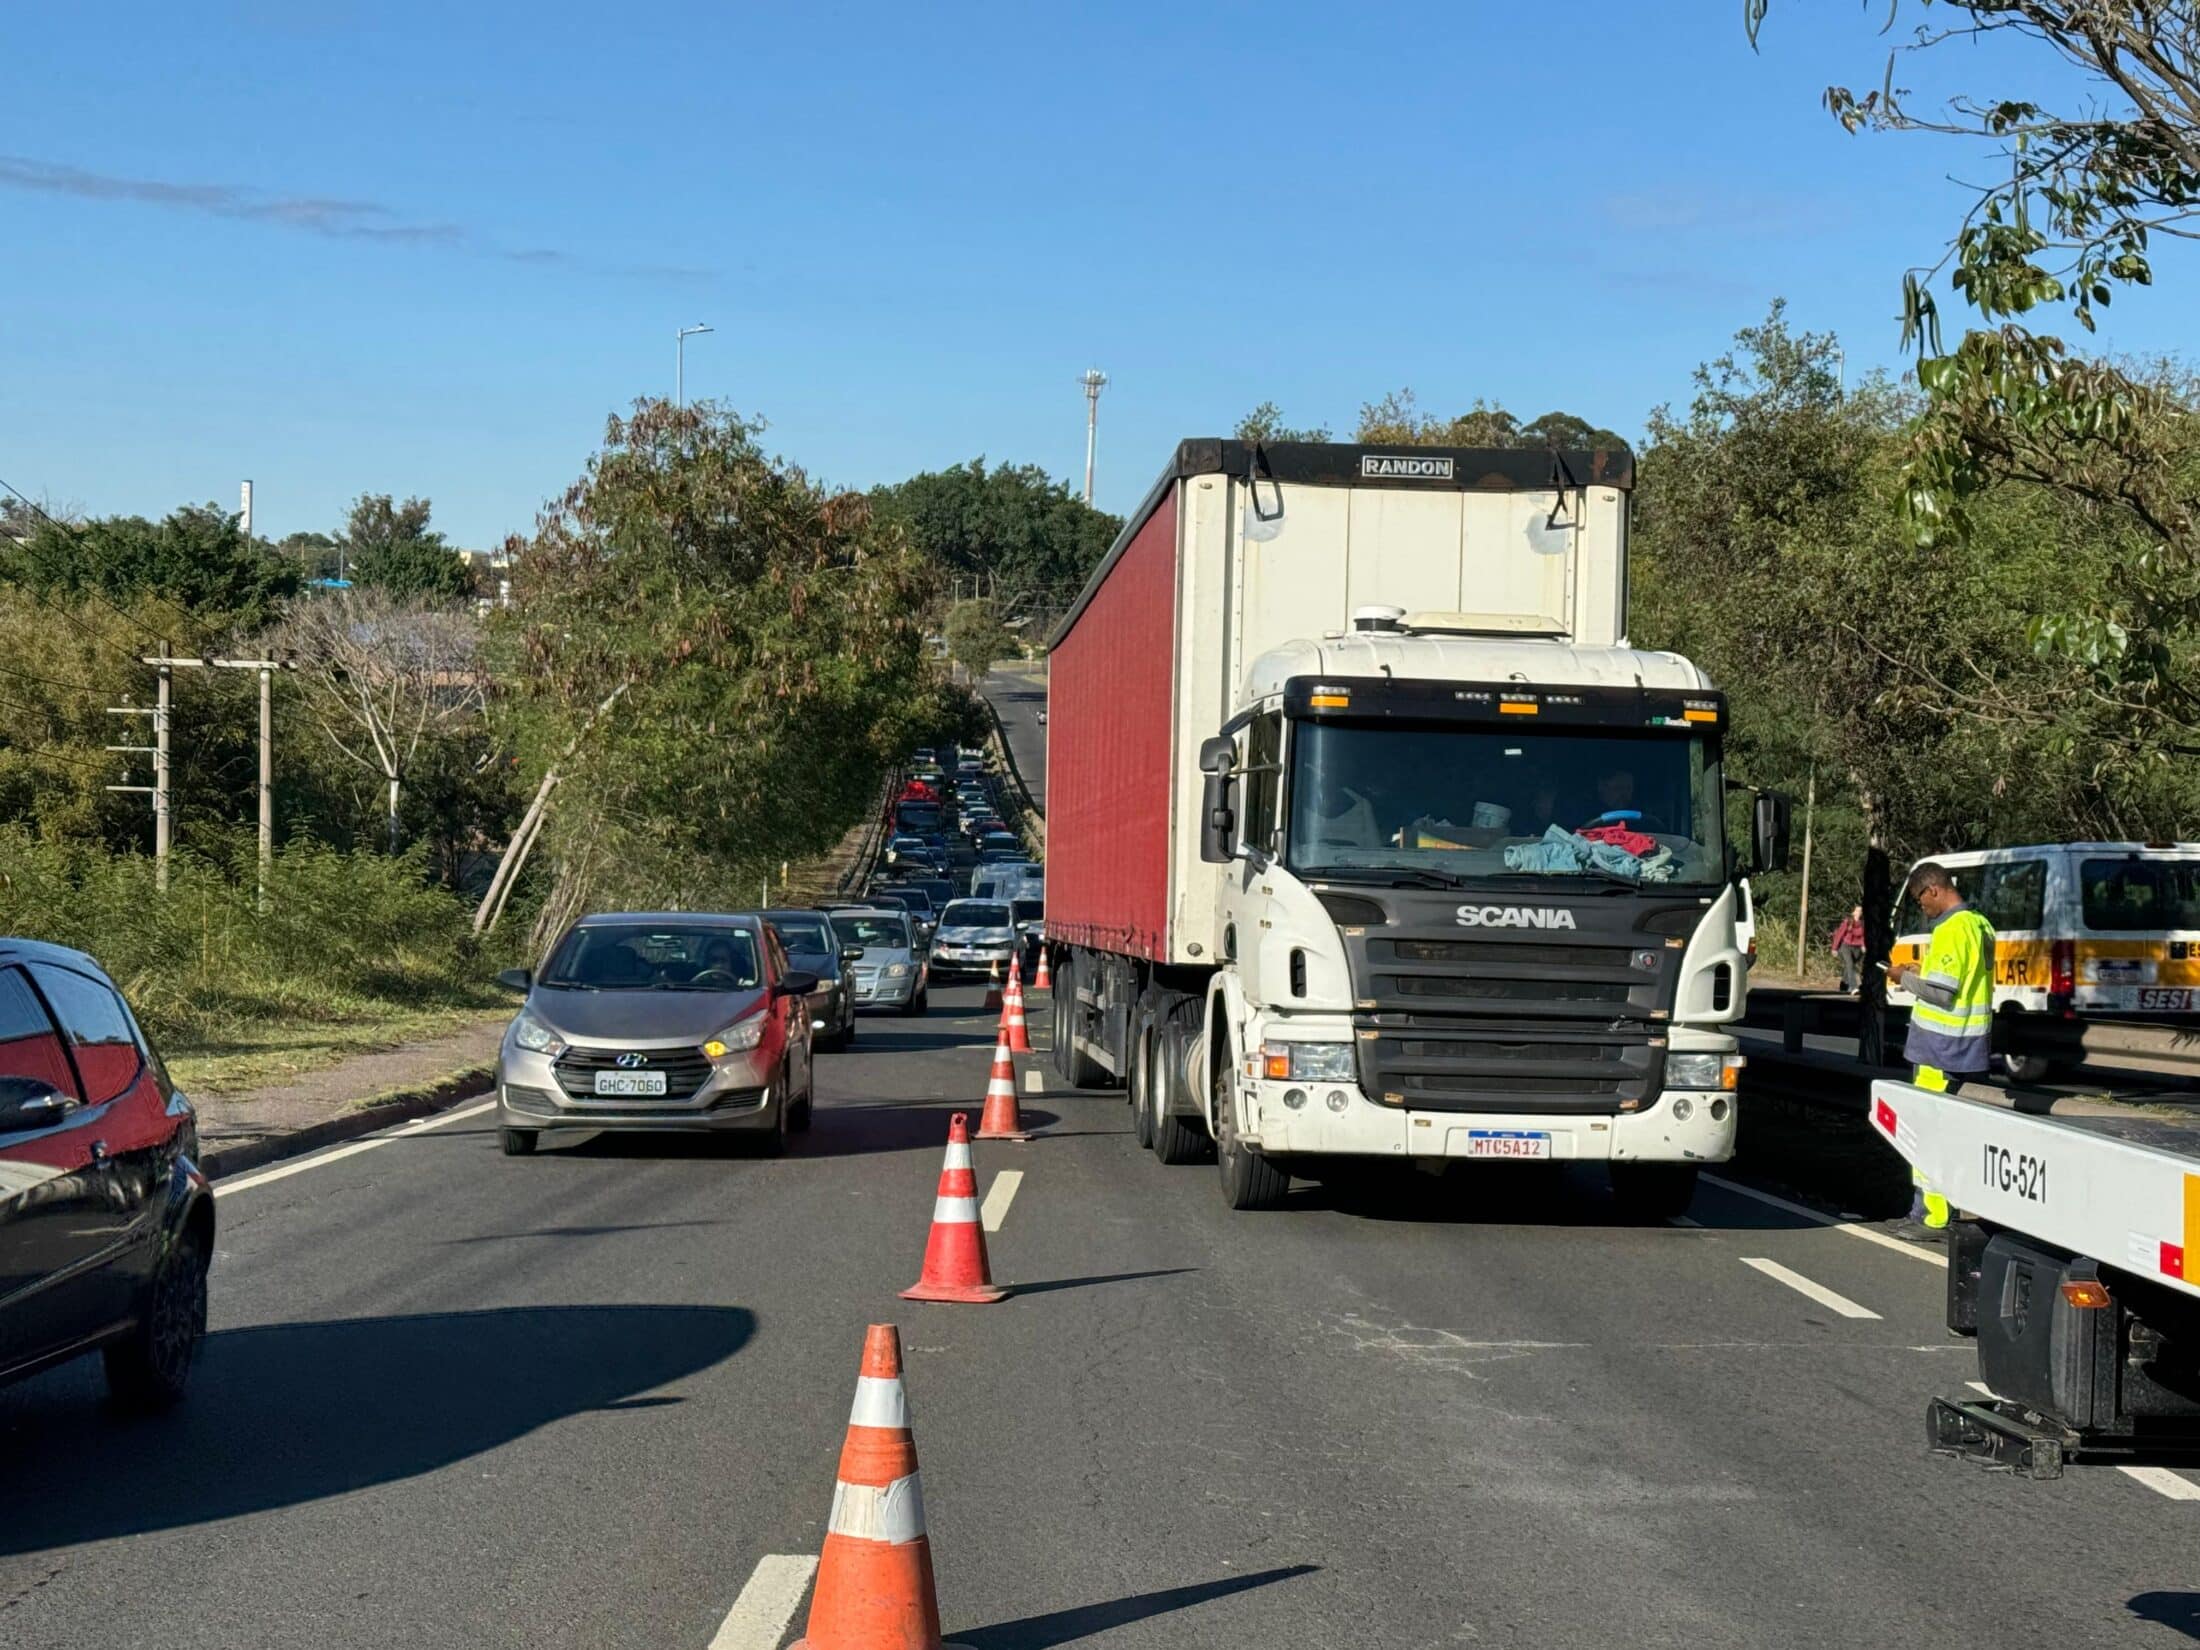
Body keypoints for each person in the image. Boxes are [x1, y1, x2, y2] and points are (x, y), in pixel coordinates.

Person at [1887, 863, 1997, 1229]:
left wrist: (1903, 977)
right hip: (1968, 1046)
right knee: (1954, 1135)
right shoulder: (1979, 924)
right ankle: (1945, 1210)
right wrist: (1921, 974)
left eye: (1921, 901)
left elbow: (1942, 993)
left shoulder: (1951, 929)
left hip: (1939, 1049)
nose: (1922, 909)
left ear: (1934, 890)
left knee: (1927, 1133)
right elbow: (1959, 983)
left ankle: (1930, 1216)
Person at [1829, 905, 1867, 994]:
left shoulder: (1863, 923)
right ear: (1853, 912)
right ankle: (1854, 987)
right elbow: (1839, 935)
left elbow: (1864, 936)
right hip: (1846, 946)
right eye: (1857, 911)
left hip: (1857, 948)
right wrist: (1834, 948)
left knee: (1849, 966)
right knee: (1850, 964)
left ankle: (1843, 984)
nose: (1859, 913)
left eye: (1860, 911)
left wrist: (1863, 945)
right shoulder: (1848, 922)